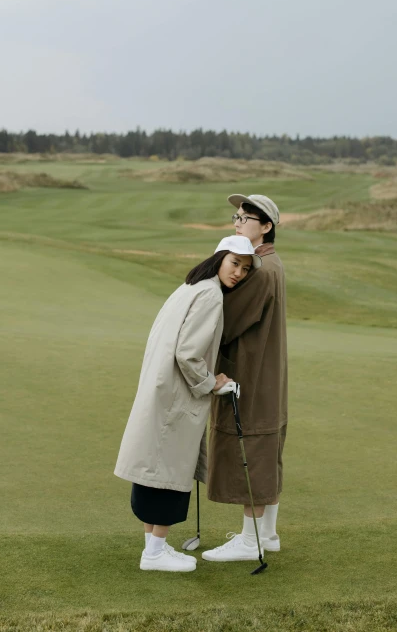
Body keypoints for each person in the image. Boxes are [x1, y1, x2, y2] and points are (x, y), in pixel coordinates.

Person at [114, 235, 262, 572]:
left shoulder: (192, 286)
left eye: (245, 268)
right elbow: (188, 354)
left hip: (163, 392)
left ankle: (154, 548)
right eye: (234, 263)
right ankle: (154, 554)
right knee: (166, 474)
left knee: (155, 470)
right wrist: (212, 383)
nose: (238, 272)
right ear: (220, 258)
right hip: (176, 397)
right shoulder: (210, 295)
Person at [203, 194, 288, 563]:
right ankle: (266, 535)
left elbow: (226, 322)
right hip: (265, 376)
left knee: (251, 451)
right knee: (264, 451)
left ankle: (250, 541)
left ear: (266, 226)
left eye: (246, 217)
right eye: (236, 216)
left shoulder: (261, 271)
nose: (237, 222)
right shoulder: (269, 264)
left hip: (251, 375)